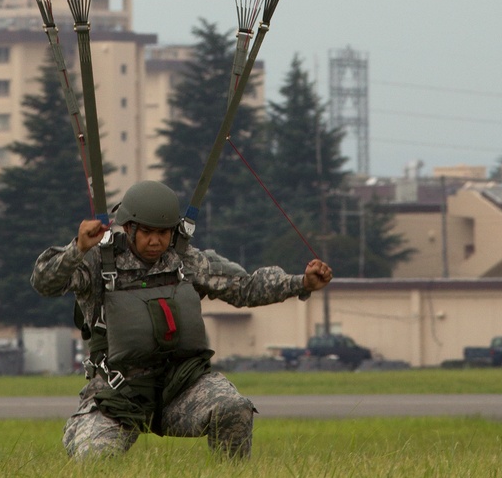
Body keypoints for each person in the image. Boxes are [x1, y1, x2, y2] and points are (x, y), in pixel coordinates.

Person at [31, 179, 332, 460]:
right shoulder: (97, 262)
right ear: (129, 228)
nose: (155, 241)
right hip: (117, 394)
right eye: (147, 232)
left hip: (181, 386)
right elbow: (45, 283)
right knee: (94, 457)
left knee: (234, 407)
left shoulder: (186, 261)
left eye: (163, 233)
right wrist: (79, 248)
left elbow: (244, 287)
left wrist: (301, 283)